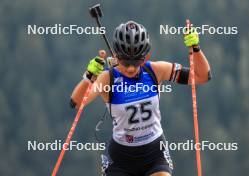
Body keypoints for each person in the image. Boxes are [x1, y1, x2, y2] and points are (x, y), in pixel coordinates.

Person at [71, 21, 211, 176]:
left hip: (154, 154)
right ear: (115, 56)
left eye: (136, 61)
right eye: (125, 62)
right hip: (120, 159)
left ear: (146, 57)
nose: (131, 68)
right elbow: (77, 102)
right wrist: (89, 77)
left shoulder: (155, 71)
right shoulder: (107, 79)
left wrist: (196, 49)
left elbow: (202, 76)